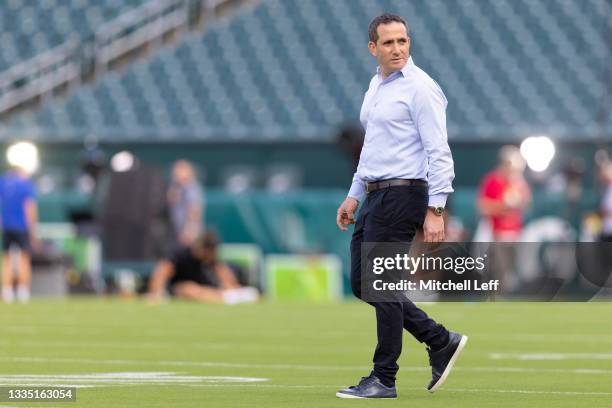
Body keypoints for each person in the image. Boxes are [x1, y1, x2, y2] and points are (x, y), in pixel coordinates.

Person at [335, 14, 467, 399]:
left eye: (403, 41)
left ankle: (384, 377)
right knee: (363, 282)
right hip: (376, 193)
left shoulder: (421, 88)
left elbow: (439, 152)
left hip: (404, 193)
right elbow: (373, 149)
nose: (397, 48)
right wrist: (354, 193)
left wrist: (436, 208)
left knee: (380, 283)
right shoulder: (376, 85)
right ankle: (439, 339)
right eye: (389, 42)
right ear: (372, 48)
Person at [147, 231, 258, 304]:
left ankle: (230, 297)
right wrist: (156, 293)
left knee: (198, 290)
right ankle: (229, 298)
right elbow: (162, 271)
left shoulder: (210, 258)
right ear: (202, 248)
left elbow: (223, 272)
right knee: (189, 288)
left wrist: (232, 286)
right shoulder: (180, 254)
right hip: (180, 289)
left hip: (207, 289)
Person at [0, 164, 38, 303]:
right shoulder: (25, 185)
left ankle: (7, 291)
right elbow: (30, 207)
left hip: (6, 227)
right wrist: (33, 229)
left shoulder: (2, 183)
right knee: (24, 259)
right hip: (22, 227)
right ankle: (23, 291)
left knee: (6, 259)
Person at [477, 145, 531, 241]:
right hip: (495, 235)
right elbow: (482, 207)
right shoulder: (492, 180)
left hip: (515, 234)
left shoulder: (518, 182)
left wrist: (517, 201)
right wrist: (504, 206)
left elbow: (527, 204)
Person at [167, 160, 204, 247]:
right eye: (175, 171)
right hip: (177, 234)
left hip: (188, 236)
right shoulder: (177, 188)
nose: (176, 174)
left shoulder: (192, 189)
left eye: (180, 170)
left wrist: (190, 231)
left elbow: (195, 211)